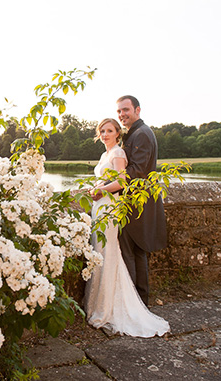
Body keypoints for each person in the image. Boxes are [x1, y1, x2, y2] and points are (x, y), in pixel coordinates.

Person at [82, 117, 169, 337]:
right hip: (99, 208)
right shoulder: (105, 154)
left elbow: (122, 181)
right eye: (102, 130)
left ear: (118, 134)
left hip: (109, 209)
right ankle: (98, 304)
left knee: (109, 254)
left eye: (109, 130)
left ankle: (110, 307)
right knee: (99, 253)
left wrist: (101, 191)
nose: (104, 134)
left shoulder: (119, 154)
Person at [116, 95, 167, 306]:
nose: (122, 114)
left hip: (136, 204)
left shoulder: (142, 134)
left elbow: (136, 171)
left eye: (125, 110)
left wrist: (109, 185)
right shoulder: (136, 133)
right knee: (136, 252)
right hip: (135, 202)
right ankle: (139, 303)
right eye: (119, 111)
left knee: (131, 253)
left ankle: (136, 304)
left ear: (137, 109)